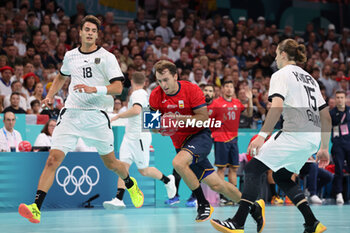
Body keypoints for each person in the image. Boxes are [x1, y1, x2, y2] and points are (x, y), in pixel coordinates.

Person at [18, 15, 144, 224]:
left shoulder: (107, 57)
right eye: (86, 29)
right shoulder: (70, 56)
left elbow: (118, 88)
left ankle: (130, 183)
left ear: (97, 34)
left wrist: (95, 88)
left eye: (93, 31)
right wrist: (50, 96)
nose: (90, 33)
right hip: (72, 113)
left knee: (112, 163)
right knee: (53, 160)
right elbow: (61, 76)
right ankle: (36, 207)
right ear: (80, 32)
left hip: (97, 116)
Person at [211, 39, 331, 233]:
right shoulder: (310, 78)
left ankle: (238, 222)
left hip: (294, 134)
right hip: (312, 139)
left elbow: (277, 107)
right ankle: (312, 222)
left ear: (283, 54)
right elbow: (325, 115)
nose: (275, 58)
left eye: (276, 53)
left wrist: (262, 135)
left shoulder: (281, 74)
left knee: (252, 169)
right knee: (282, 176)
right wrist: (324, 147)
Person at [150, 60, 264, 228]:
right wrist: (161, 128)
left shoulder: (191, 89)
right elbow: (150, 126)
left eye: (166, 79)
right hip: (180, 144)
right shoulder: (156, 95)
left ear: (175, 76)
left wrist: (178, 119)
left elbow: (203, 118)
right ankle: (253, 207)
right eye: (159, 81)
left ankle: (203, 203)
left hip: (200, 137)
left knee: (178, 163)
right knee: (217, 184)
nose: (163, 85)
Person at [103, 72, 176, 209]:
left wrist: (118, 116)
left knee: (144, 170)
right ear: (145, 82)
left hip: (139, 138)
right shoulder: (144, 95)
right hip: (129, 136)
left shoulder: (139, 94)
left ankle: (167, 180)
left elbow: (136, 111)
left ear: (131, 81)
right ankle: (119, 199)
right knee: (122, 168)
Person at [209, 80, 252, 205]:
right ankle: (223, 196)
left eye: (231, 86)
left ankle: (233, 196)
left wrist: (250, 99)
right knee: (221, 169)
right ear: (222, 89)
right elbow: (208, 120)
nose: (229, 89)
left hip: (234, 140)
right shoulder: (216, 103)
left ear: (234, 90)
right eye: (226, 86)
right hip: (220, 140)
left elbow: (249, 114)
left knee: (234, 169)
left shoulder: (237, 103)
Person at [329, 90, 350, 205]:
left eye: (342, 97)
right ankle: (339, 194)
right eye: (337, 97)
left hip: (349, 144)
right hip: (338, 146)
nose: (340, 99)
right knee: (339, 170)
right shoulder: (331, 113)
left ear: (345, 98)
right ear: (335, 99)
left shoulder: (349, 111)